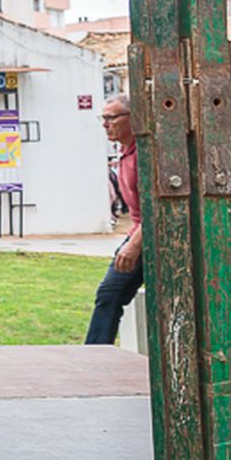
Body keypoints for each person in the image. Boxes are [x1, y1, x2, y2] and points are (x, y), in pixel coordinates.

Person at [85, 94, 142, 345]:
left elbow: (159, 210)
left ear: (133, 118)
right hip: (139, 234)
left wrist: (134, 245)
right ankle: (94, 357)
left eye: (112, 117)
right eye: (103, 118)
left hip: (153, 238)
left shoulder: (144, 155)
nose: (105, 124)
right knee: (109, 294)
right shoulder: (124, 153)